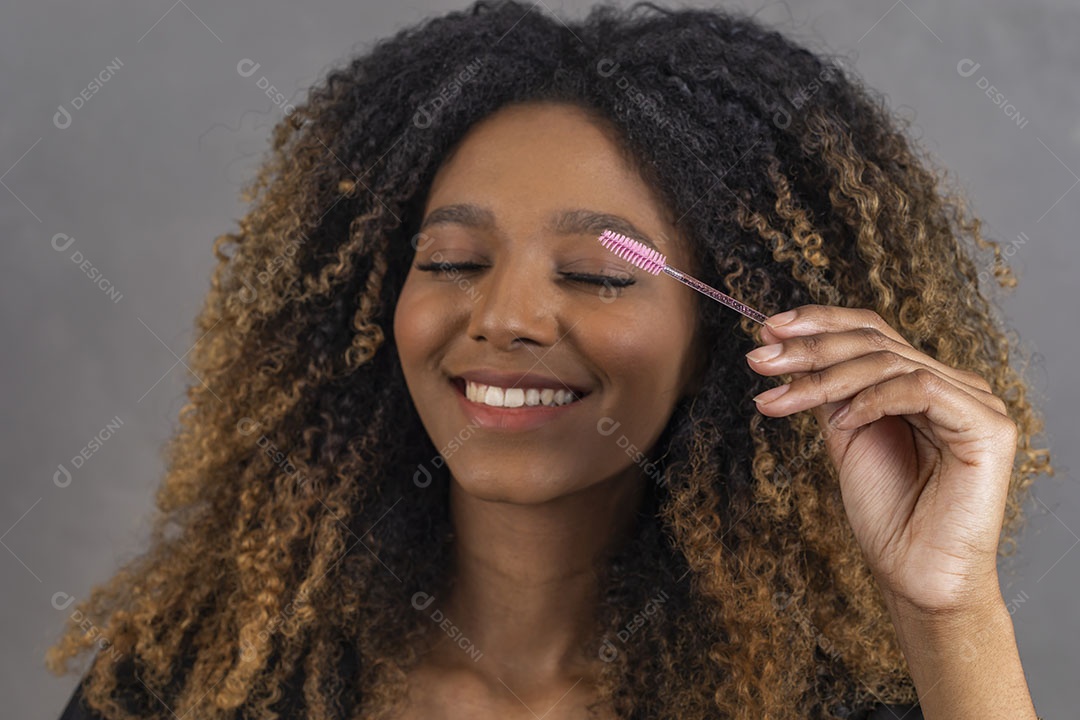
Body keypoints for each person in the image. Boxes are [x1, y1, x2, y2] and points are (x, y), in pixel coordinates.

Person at [47, 1, 1051, 718]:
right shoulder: (187, 690)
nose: (504, 316)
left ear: (738, 336)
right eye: (452, 260)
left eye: (598, 274)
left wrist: (950, 608)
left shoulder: (849, 705)